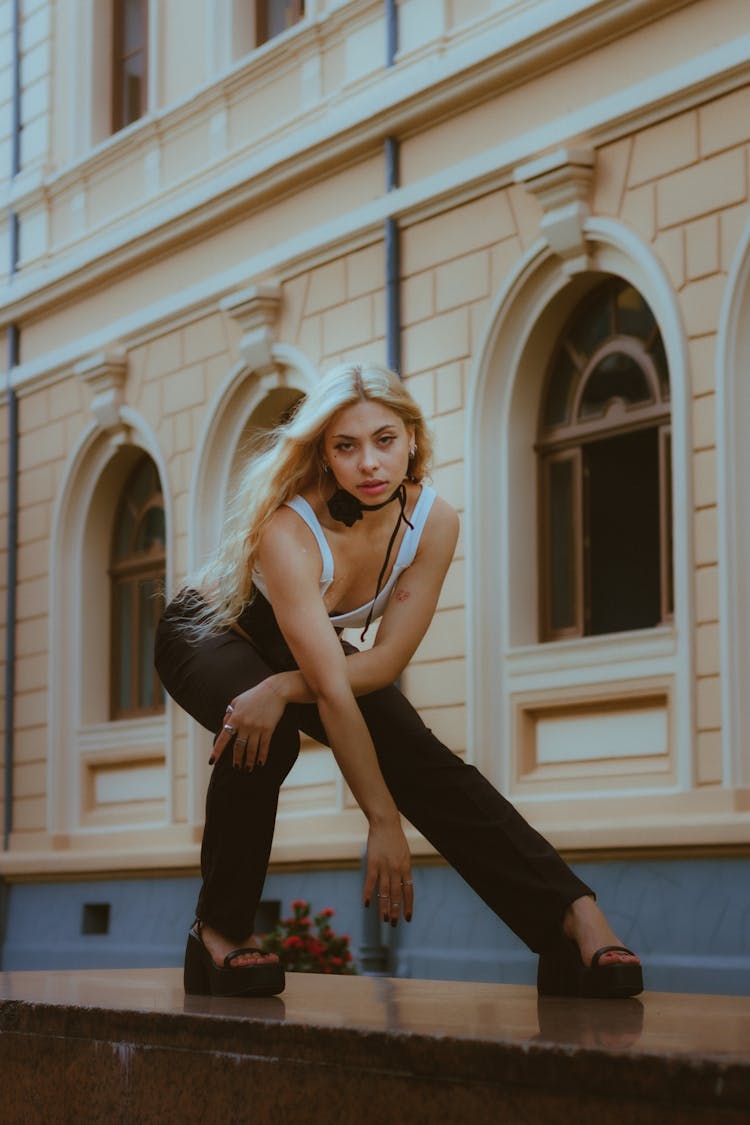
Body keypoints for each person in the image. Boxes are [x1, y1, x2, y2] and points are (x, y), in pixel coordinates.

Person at [155, 362, 643, 1000]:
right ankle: (219, 934)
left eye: (384, 439)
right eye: (345, 446)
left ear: (412, 437)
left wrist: (278, 687)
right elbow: (333, 690)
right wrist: (381, 820)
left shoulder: (434, 523)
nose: (369, 464)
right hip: (212, 628)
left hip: (301, 649)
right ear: (324, 456)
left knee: (420, 755)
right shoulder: (287, 528)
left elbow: (381, 666)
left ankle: (569, 920)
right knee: (263, 738)